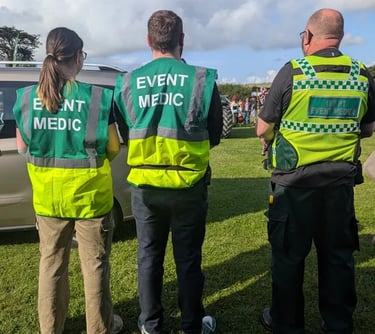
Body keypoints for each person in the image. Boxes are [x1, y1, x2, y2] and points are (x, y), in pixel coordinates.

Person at [256, 8, 375, 334]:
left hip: (294, 185)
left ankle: (285, 322)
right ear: (340, 36)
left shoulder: (292, 72)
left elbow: (263, 127)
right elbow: (368, 128)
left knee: (288, 259)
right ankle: (338, 324)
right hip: (339, 185)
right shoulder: (360, 74)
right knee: (337, 258)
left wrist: (272, 138)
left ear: (308, 37)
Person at [114, 9, 222, 334]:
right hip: (189, 185)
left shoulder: (128, 82)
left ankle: (151, 324)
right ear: (182, 40)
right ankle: (191, 325)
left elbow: (124, 129)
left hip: (145, 187)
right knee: (188, 259)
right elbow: (214, 133)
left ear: (149, 40)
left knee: (149, 257)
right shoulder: (201, 80)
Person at [12, 27, 123, 334]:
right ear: (77, 57)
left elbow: (23, 148)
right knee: (96, 267)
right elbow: (113, 147)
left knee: (51, 267)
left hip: (48, 200)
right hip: (91, 199)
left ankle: (50, 329)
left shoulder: (25, 99)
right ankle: (100, 328)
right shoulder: (97, 98)